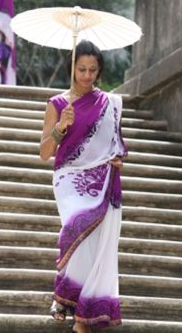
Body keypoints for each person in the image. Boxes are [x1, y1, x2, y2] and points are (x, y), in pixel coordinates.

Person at [40, 40, 128, 333]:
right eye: (81, 69)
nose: (87, 75)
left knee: (94, 243)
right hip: (69, 179)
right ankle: (68, 298)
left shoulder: (110, 104)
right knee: (76, 226)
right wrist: (60, 127)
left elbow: (115, 147)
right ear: (72, 68)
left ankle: (81, 318)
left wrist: (116, 161)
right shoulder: (57, 104)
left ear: (99, 70)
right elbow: (44, 152)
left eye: (93, 70)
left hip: (102, 180)